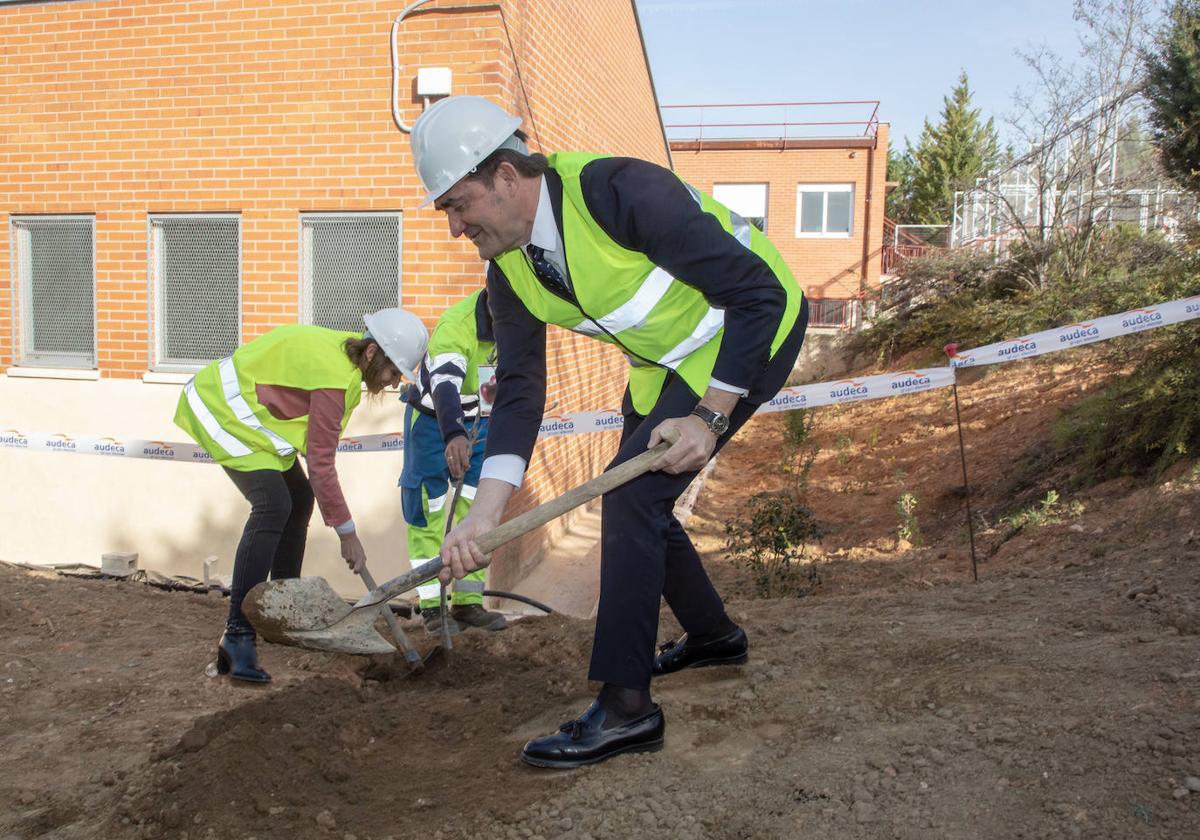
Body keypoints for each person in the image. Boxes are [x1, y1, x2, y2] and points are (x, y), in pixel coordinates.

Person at [408, 96, 809, 767]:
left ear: (506, 175)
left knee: (629, 498)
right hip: (666, 367)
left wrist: (710, 416)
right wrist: (482, 517)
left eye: (457, 203)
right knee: (642, 498)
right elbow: (520, 398)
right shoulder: (507, 269)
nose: (453, 226)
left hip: (745, 338)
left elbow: (759, 294)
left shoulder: (619, 192)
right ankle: (713, 636)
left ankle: (627, 708)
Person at [173, 309, 429, 683]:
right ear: (372, 353)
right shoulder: (334, 380)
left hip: (250, 417)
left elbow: (314, 450)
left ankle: (280, 609)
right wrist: (348, 535)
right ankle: (237, 637)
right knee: (273, 505)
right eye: (392, 372)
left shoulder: (344, 356)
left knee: (299, 497)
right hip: (219, 408)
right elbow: (322, 464)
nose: (392, 384)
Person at [400, 288, 508, 635]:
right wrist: (453, 435)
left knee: (476, 510)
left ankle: (467, 603)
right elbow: (444, 386)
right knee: (427, 510)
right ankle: (432, 607)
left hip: (482, 422)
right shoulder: (456, 325)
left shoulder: (520, 318)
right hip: (434, 423)